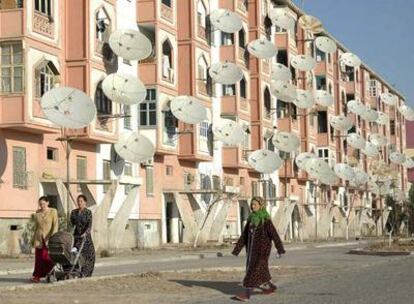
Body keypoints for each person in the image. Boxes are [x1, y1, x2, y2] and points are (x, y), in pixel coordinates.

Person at [232, 196, 285, 301]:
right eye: (252, 204)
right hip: (251, 252)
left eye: (255, 204)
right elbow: (244, 235)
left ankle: (247, 295)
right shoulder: (251, 219)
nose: (253, 206)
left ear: (261, 206)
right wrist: (237, 249)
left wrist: (280, 249)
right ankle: (271, 287)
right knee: (261, 271)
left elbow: (274, 235)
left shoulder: (265, 220)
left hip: (262, 252)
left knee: (252, 272)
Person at [31, 196, 58, 283]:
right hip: (39, 239)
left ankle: (50, 272)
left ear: (47, 203)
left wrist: (52, 237)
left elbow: (55, 225)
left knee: (46, 257)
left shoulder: (53, 211)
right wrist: (33, 239)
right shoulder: (37, 213)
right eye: (40, 204)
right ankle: (37, 276)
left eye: (43, 203)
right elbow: (36, 227)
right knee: (38, 259)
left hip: (48, 238)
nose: (42, 205)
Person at [70, 194, 95, 277]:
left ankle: (86, 273)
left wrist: (85, 233)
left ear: (85, 202)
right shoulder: (74, 212)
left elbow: (89, 225)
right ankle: (74, 271)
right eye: (78, 201)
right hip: (76, 237)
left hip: (85, 238)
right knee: (75, 254)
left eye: (81, 201)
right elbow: (72, 224)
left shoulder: (88, 212)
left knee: (89, 256)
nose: (79, 203)